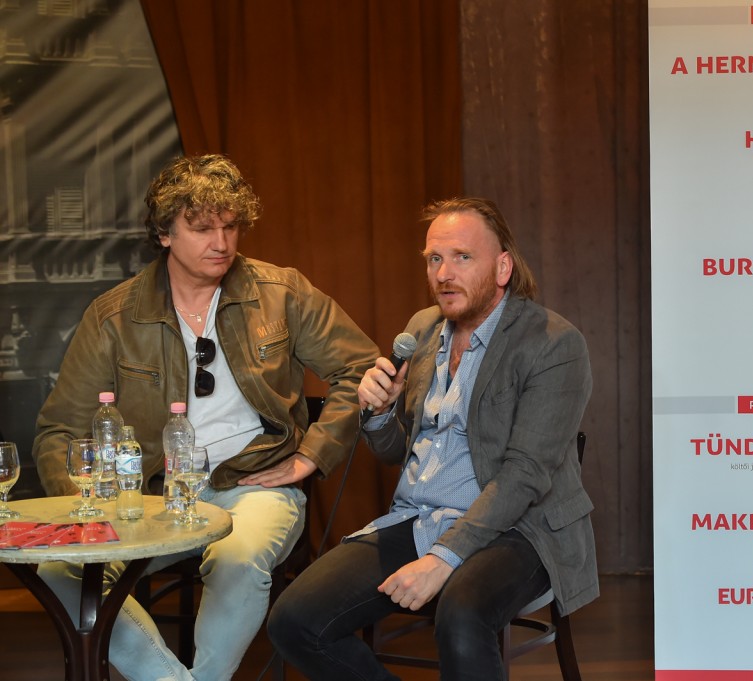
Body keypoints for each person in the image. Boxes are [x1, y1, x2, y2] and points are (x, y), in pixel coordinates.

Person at [32, 153, 378, 681]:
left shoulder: (281, 292)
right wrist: (85, 511)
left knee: (239, 558)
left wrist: (313, 455)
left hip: (254, 484)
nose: (221, 243)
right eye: (201, 228)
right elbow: (59, 430)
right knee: (60, 568)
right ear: (164, 234)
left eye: (231, 226)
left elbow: (362, 369)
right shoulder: (113, 316)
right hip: (151, 495)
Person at [268, 197, 597, 681]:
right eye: (434, 259)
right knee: (294, 621)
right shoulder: (422, 329)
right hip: (420, 518)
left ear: (502, 267)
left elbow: (525, 476)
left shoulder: (553, 343)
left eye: (462, 257)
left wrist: (443, 558)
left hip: (520, 528)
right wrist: (380, 414)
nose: (444, 273)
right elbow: (396, 453)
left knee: (461, 615)